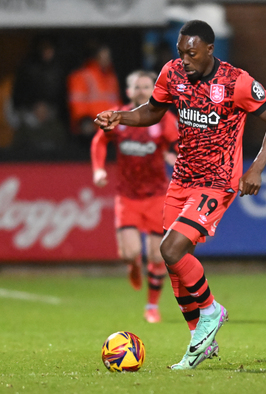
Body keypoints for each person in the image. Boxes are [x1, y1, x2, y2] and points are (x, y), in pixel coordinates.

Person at [94, 20, 266, 369]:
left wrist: (256, 168)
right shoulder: (172, 74)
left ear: (210, 50)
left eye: (192, 53)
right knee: (175, 265)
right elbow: (152, 111)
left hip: (217, 181)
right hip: (181, 179)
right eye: (181, 52)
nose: (184, 59)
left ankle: (212, 311)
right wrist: (120, 117)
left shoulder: (236, 82)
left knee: (170, 248)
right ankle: (201, 338)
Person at [91, 70, 178, 323]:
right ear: (128, 92)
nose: (141, 90)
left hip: (156, 195)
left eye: (145, 86)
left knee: (157, 255)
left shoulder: (163, 119)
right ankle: (132, 265)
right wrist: (98, 170)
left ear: (153, 89)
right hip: (127, 195)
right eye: (136, 87)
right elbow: (99, 141)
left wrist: (172, 155)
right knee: (130, 253)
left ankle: (151, 306)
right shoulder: (118, 117)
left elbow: (178, 143)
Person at [69, 44, 121, 145]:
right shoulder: (82, 76)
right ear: (96, 57)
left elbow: (117, 103)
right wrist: (84, 122)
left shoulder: (111, 78)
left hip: (111, 132)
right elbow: (77, 104)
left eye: (108, 56)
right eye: (104, 56)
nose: (107, 59)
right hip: (90, 133)